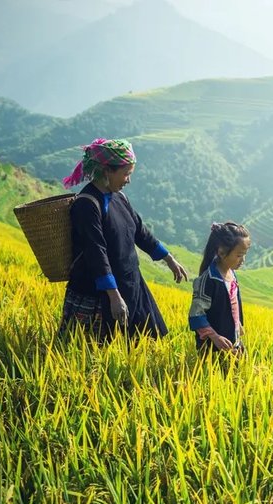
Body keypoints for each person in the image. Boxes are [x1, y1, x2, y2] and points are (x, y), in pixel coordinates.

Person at [58, 138, 187, 343]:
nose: (128, 180)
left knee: (145, 344)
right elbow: (95, 252)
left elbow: (140, 232)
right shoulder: (87, 204)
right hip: (100, 292)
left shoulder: (119, 197)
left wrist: (169, 259)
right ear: (107, 171)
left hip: (130, 284)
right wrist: (114, 296)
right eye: (126, 174)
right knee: (96, 348)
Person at [188, 222, 251, 355]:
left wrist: (238, 324)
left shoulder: (232, 275)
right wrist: (215, 337)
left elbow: (232, 305)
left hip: (233, 344)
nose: (243, 260)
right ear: (222, 252)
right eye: (239, 255)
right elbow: (196, 315)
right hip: (213, 350)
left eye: (245, 254)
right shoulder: (208, 280)